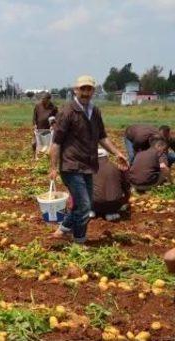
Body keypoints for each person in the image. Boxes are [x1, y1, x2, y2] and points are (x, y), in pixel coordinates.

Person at [49, 75, 128, 244]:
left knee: (81, 204)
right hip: (71, 166)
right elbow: (56, 142)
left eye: (89, 89)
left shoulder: (95, 111)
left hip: (88, 165)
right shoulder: (67, 111)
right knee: (85, 206)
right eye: (82, 89)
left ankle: (63, 229)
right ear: (75, 90)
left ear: (93, 91)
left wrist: (117, 153)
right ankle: (79, 241)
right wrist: (53, 167)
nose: (85, 92)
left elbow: (102, 137)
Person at [93, 149, 131, 221]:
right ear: (107, 157)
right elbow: (126, 185)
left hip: (95, 204)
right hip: (114, 204)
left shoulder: (88, 169)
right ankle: (111, 212)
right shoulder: (116, 167)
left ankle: (92, 212)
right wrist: (126, 198)